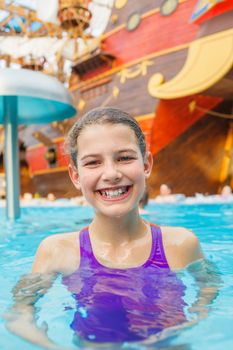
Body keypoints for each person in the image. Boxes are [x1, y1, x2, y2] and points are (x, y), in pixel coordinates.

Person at [5, 107, 219, 349]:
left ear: (146, 164)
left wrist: (195, 318)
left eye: (125, 158)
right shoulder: (56, 250)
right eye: (93, 162)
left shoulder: (180, 244)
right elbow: (18, 315)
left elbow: (210, 287)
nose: (111, 174)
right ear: (75, 176)